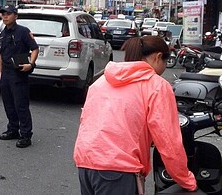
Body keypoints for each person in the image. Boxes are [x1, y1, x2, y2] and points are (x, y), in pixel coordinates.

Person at [73, 36, 197, 194]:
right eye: (166, 62)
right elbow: (168, 141)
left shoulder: (101, 81)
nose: (164, 68)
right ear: (158, 57)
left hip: (86, 163)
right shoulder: (157, 86)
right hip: (118, 168)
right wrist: (186, 179)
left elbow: (89, 121)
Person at [0, 4, 39, 148]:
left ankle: (26, 134)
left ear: (16, 15)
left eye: (8, 13)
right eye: (3, 14)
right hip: (6, 73)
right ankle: (13, 129)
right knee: (8, 104)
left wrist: (31, 64)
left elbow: (34, 48)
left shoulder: (23, 32)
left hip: (18, 73)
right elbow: (1, 55)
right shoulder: (2, 34)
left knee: (21, 105)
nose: (5, 16)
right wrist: (0, 72)